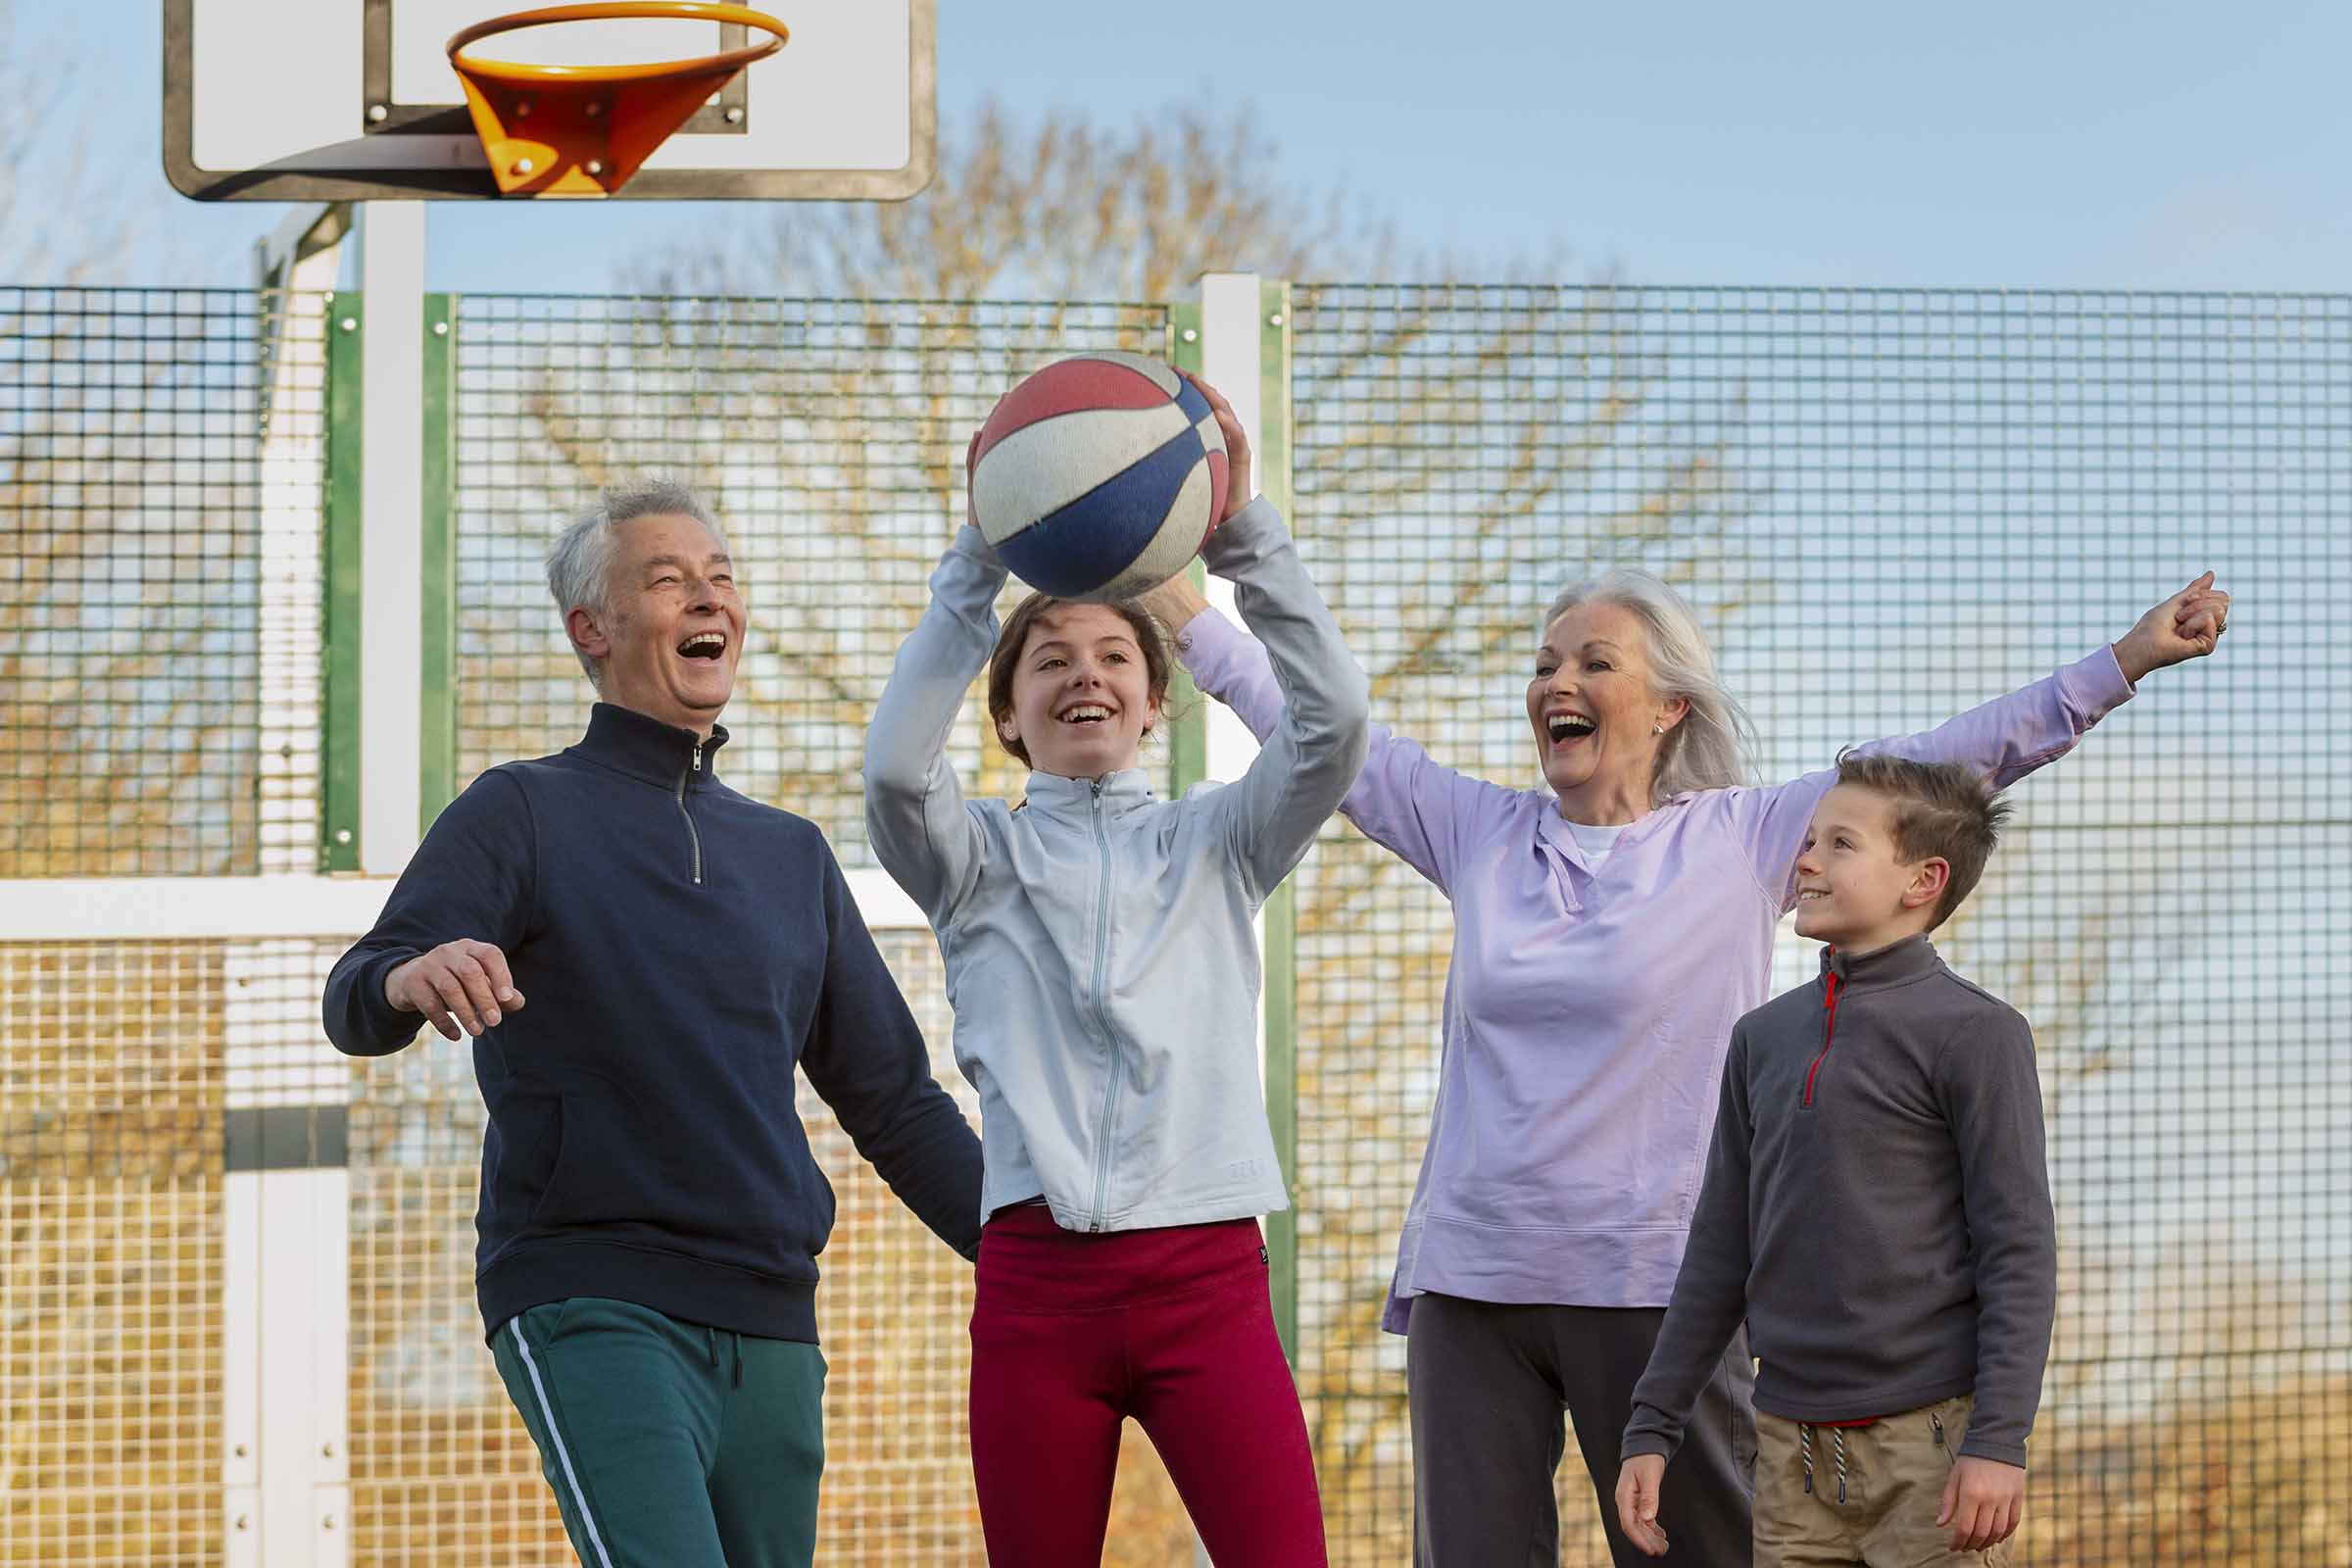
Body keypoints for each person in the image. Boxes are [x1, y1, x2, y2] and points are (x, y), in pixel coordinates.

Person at [1142, 561, 2229, 1566]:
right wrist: (1187, 609)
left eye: (1592, 661)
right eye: (1545, 664)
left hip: (1657, 1288)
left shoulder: (1743, 837)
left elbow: (1944, 767)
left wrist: (2121, 663)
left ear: (1669, 710)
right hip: (1476, 1283)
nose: (1556, 681)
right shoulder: (1477, 831)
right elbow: (1332, 735)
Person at [321, 478, 985, 1568]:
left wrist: (1028, 1251)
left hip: (773, 1319)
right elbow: (361, 986)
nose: (706, 597)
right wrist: (411, 974)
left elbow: (895, 1101)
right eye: (669, 580)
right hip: (592, 1293)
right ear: (593, 627)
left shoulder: (790, 854)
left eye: (721, 577)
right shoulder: (522, 809)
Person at [862, 373, 1368, 1568]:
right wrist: (974, 565)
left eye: (1111, 657)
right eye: (1049, 662)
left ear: (1154, 706)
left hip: (1208, 1276)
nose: (1083, 672)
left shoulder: (1217, 841)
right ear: (1008, 718)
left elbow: (1334, 720)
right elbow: (891, 772)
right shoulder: (971, 860)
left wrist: (1243, 535)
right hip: (1038, 1292)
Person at [1616, 756, 2050, 1565]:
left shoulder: (1977, 1035)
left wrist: (1998, 1441)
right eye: (1809, 839)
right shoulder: (1761, 1039)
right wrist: (1653, 1423)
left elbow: (2018, 1251)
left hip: (1933, 1448)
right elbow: (1719, 1246)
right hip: (1788, 1447)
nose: (1805, 859)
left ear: (1922, 880)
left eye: (1839, 844)